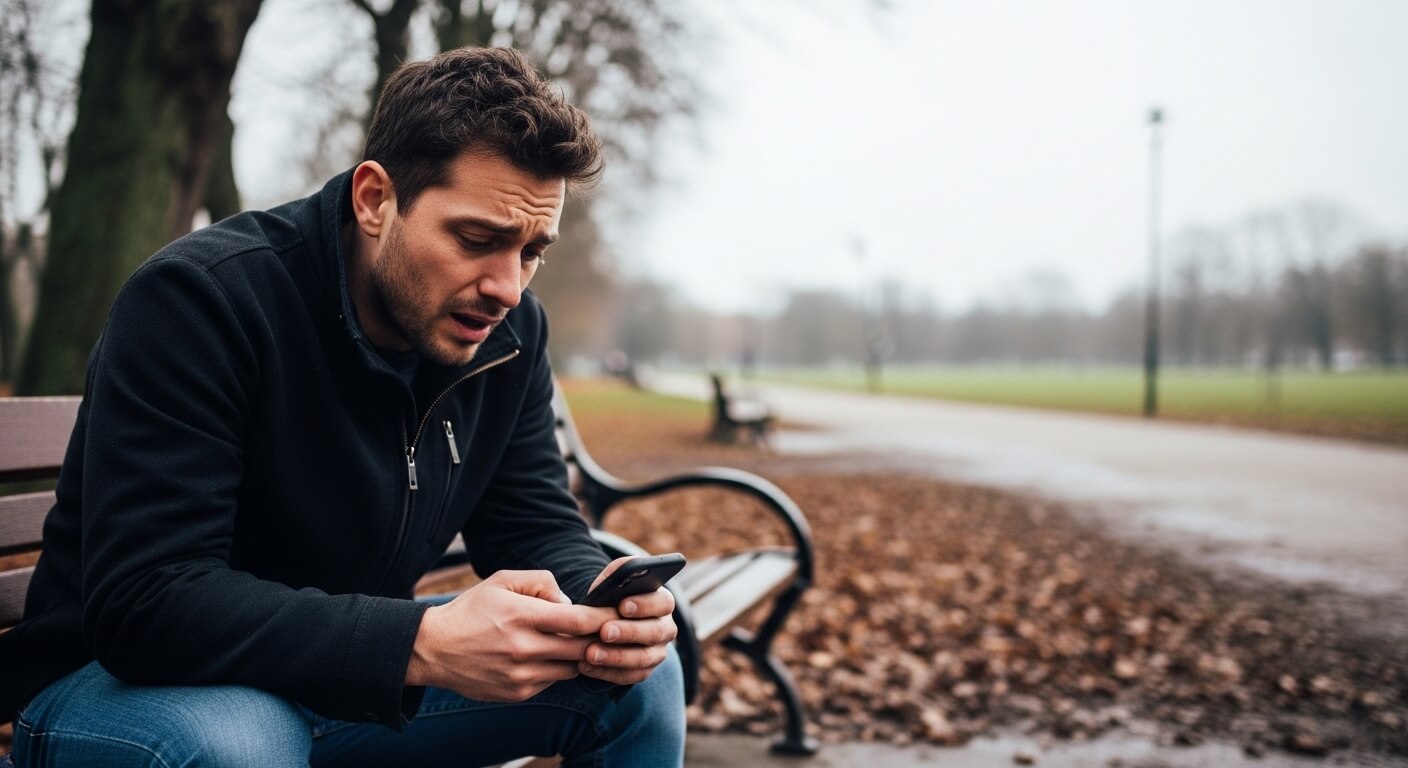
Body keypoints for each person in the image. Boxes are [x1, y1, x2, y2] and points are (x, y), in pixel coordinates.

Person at [1, 47, 685, 767]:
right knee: (235, 747)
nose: (507, 286)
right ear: (374, 199)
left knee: (638, 682)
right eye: (477, 239)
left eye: (530, 251)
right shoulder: (200, 301)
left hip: (342, 683)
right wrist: (417, 643)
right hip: (127, 685)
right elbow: (147, 600)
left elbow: (533, 521)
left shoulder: (506, 334)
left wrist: (600, 601)